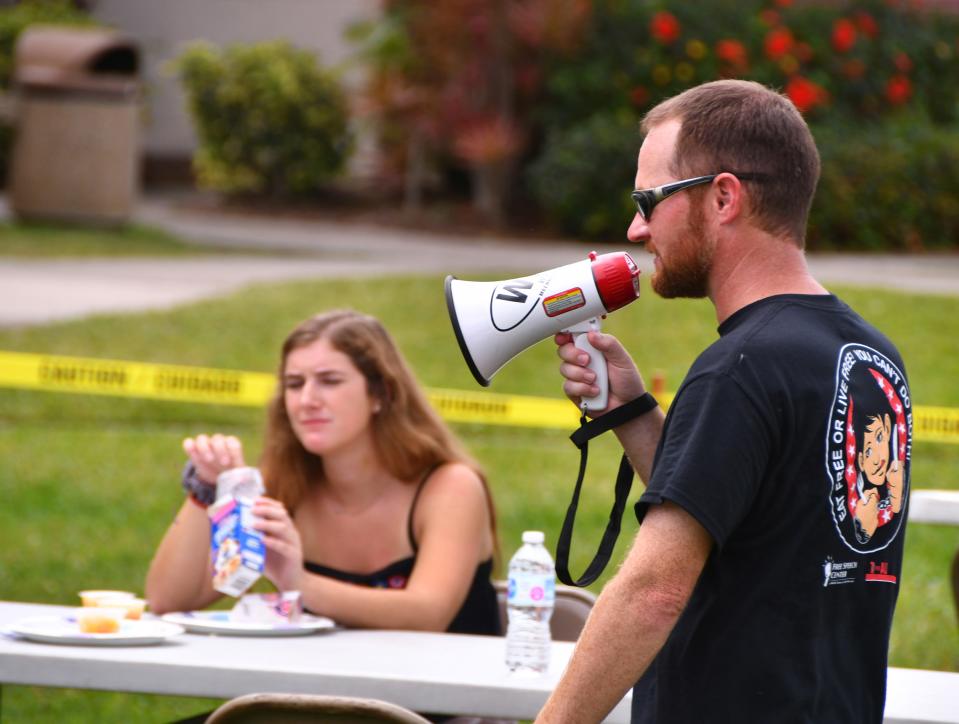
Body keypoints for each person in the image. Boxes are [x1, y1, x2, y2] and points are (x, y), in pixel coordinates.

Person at [538, 79, 912, 723]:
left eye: (648, 200)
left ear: (722, 196)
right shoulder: (872, 357)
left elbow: (654, 590)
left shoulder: (740, 368)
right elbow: (745, 522)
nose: (635, 229)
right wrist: (632, 412)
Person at [146, 309, 500, 637]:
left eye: (329, 381)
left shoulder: (450, 486)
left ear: (381, 393)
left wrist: (298, 582)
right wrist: (205, 490)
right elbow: (169, 601)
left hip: (447, 702)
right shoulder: (282, 484)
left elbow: (428, 614)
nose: (307, 400)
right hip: (323, 699)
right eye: (295, 384)